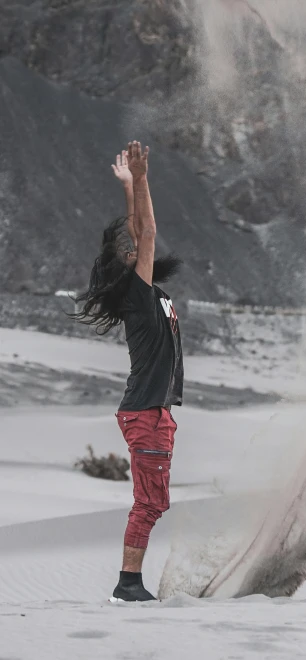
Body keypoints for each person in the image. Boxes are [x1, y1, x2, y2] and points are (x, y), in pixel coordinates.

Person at [72, 142, 184, 601]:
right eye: (129, 253)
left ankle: (130, 582)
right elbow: (149, 233)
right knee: (150, 501)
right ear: (125, 270)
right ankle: (128, 584)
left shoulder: (147, 289)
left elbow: (141, 229)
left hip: (154, 411)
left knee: (154, 500)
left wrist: (128, 189)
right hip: (145, 412)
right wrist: (140, 178)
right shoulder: (137, 297)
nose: (136, 247)